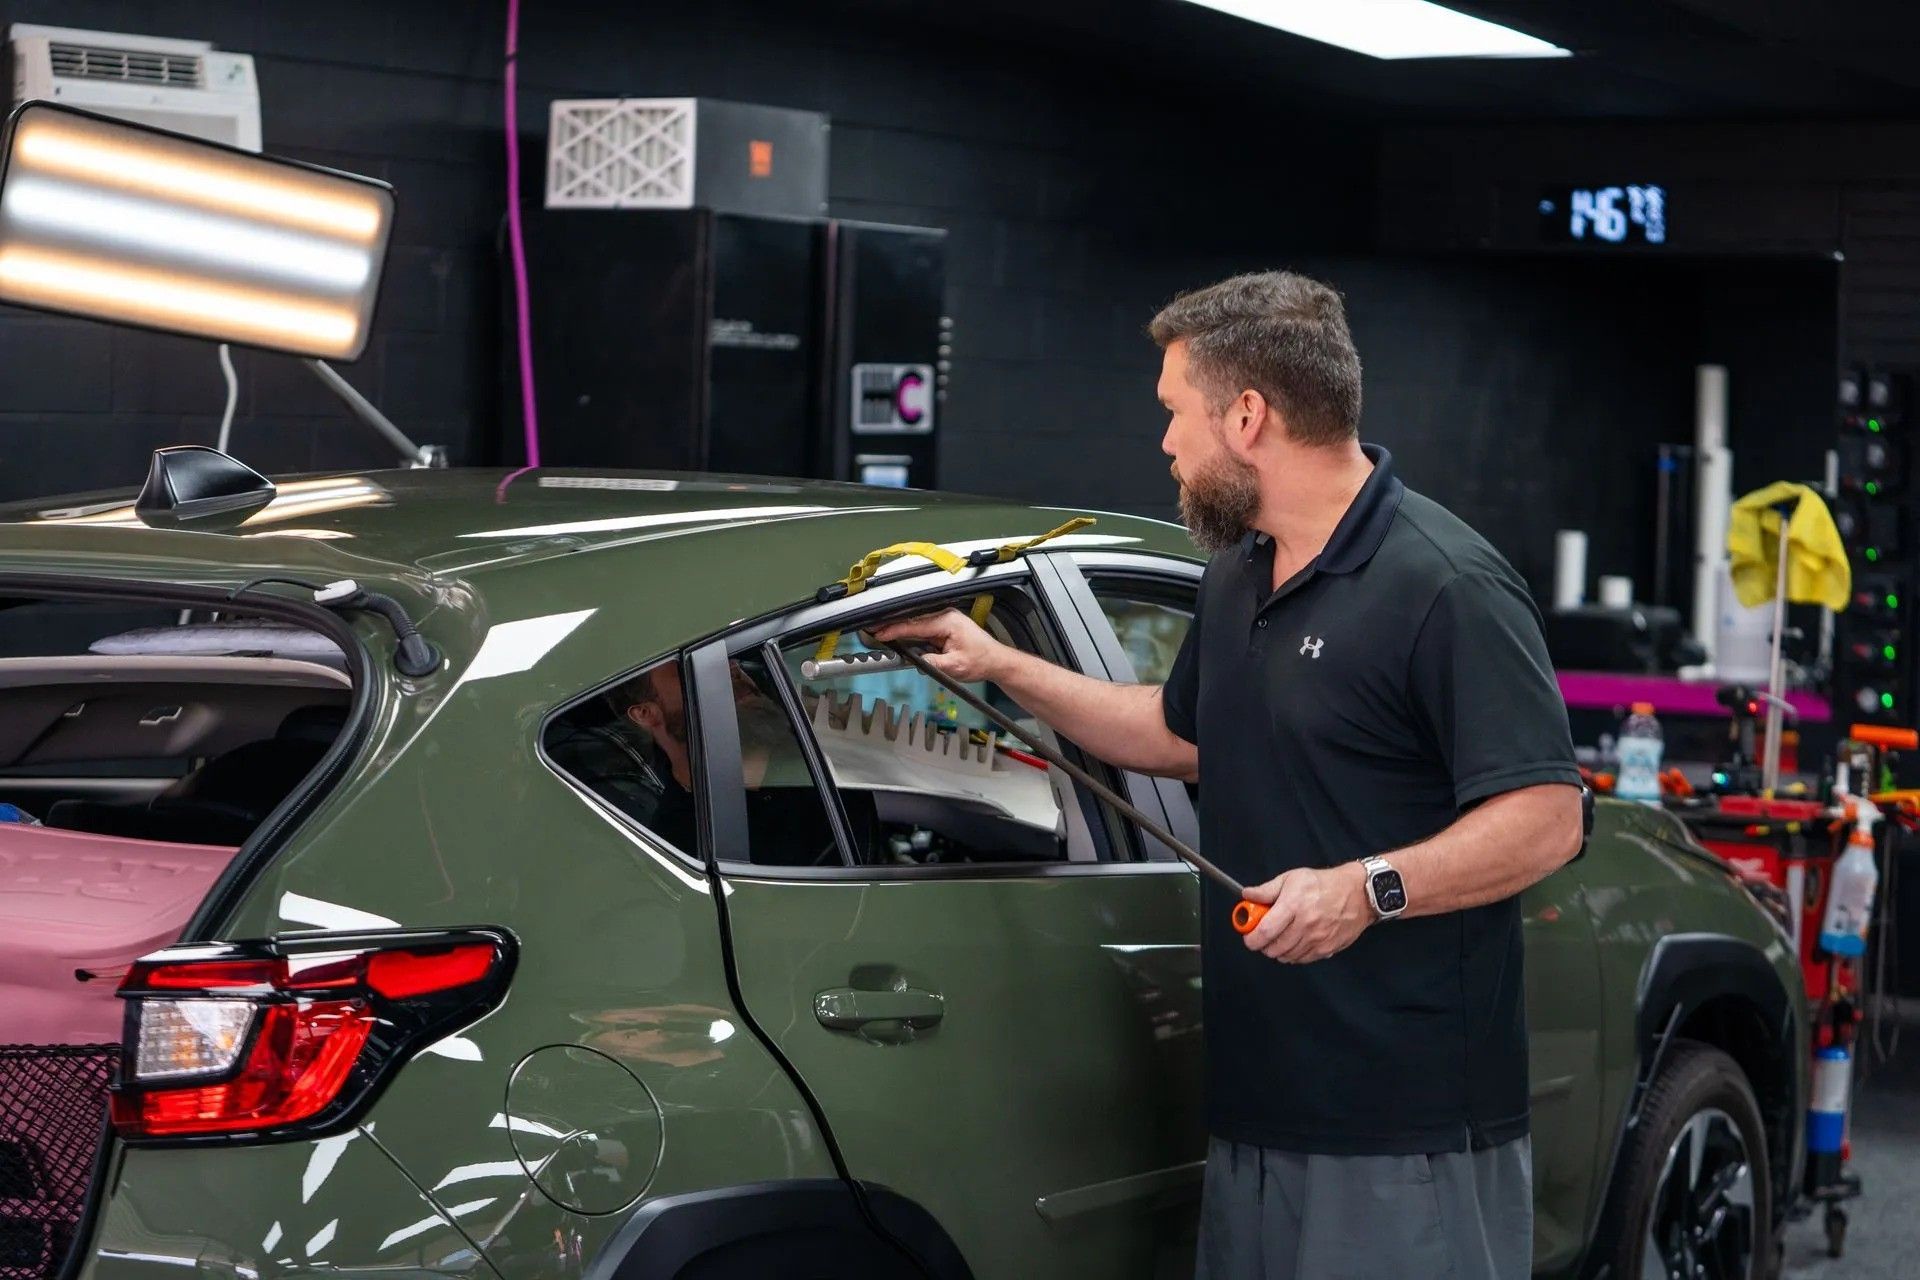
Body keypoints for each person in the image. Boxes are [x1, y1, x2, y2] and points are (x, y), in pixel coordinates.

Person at [874, 270, 1583, 1279]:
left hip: (1404, 1123)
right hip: (1258, 1103)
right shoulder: (1240, 571)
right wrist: (997, 664)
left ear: (1248, 415)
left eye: (1175, 413)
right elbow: (1177, 733)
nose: (1165, 443)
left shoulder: (1445, 582)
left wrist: (1365, 889)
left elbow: (1548, 817)